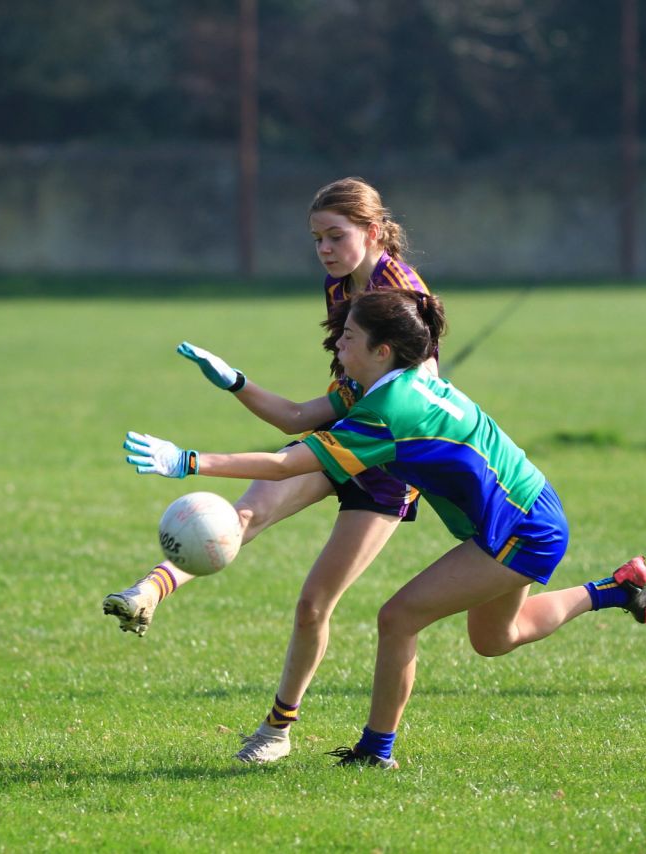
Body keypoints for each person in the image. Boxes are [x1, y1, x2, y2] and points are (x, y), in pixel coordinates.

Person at [124, 289, 646, 768]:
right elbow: (294, 418)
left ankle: (375, 751)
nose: (338, 347)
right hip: (525, 510)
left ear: (382, 350)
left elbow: (288, 465)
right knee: (496, 639)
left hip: (524, 526)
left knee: (398, 618)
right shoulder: (387, 383)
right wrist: (236, 382)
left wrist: (188, 461)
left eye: (349, 337)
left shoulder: (389, 409)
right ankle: (613, 590)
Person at [103, 178, 433, 763]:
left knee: (313, 605)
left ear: (373, 232)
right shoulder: (341, 285)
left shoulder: (400, 293)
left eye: (336, 236)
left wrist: (189, 459)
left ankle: (278, 729)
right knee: (245, 514)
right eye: (316, 239)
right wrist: (235, 382)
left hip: (385, 457)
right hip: (340, 431)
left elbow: (421, 393)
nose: (325, 250)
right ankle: (151, 589)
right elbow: (324, 403)